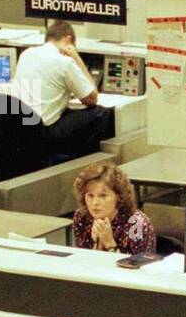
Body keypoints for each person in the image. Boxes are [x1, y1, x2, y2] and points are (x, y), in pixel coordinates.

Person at [13, 21, 112, 157]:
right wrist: (76, 57)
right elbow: (92, 99)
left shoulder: (26, 54)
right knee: (102, 113)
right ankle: (83, 162)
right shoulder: (64, 62)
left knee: (68, 111)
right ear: (68, 39)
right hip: (45, 131)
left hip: (21, 128)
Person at [71, 163, 156, 255]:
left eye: (103, 196)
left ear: (119, 196)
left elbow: (139, 267)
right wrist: (96, 245)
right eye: (90, 196)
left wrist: (110, 244)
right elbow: (82, 260)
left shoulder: (137, 224)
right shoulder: (82, 216)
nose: (95, 203)